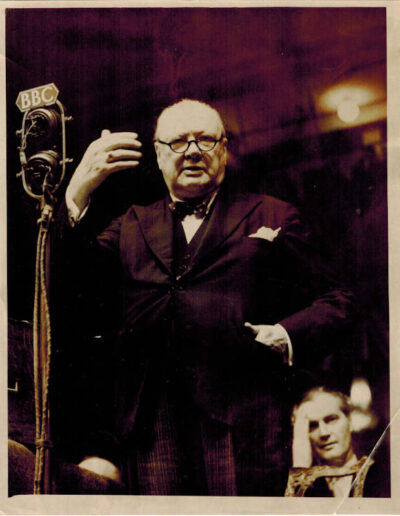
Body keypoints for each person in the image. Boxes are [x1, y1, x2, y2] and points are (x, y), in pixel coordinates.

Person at [52, 98, 355, 495]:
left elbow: (339, 298)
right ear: (159, 155)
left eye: (205, 140)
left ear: (225, 150)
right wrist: (78, 190)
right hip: (150, 423)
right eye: (178, 142)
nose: (193, 150)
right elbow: (68, 280)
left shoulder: (272, 215)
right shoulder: (131, 224)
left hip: (243, 418)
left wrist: (286, 334)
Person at [284, 387, 389, 497]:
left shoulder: (383, 477)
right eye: (313, 425)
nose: (323, 433)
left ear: (350, 421)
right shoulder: (296, 484)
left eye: (331, 419)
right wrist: (301, 467)